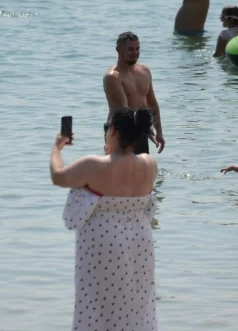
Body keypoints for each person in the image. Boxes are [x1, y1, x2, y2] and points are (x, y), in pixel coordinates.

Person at [51, 107, 159, 331]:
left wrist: (57, 148)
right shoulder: (150, 163)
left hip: (103, 241)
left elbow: (58, 176)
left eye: (109, 127)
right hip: (140, 240)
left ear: (115, 130)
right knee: (136, 307)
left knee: (97, 307)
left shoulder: (94, 164)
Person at [103, 31, 165, 154]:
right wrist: (146, 126)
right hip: (118, 131)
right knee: (120, 171)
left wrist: (159, 131)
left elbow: (152, 102)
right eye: (131, 49)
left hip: (140, 127)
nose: (135, 53)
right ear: (118, 50)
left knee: (142, 171)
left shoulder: (145, 71)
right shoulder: (113, 77)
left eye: (137, 49)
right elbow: (124, 109)